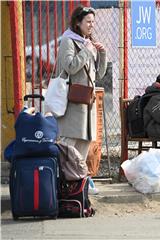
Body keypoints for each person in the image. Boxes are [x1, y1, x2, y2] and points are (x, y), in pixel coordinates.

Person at [56, 6, 107, 194]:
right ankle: (63, 178)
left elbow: (99, 74)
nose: (91, 25)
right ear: (78, 22)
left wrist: (101, 53)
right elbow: (70, 67)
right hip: (73, 98)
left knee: (86, 139)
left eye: (93, 22)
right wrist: (86, 50)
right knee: (69, 140)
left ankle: (80, 179)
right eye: (88, 22)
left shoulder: (88, 42)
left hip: (88, 99)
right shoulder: (68, 41)